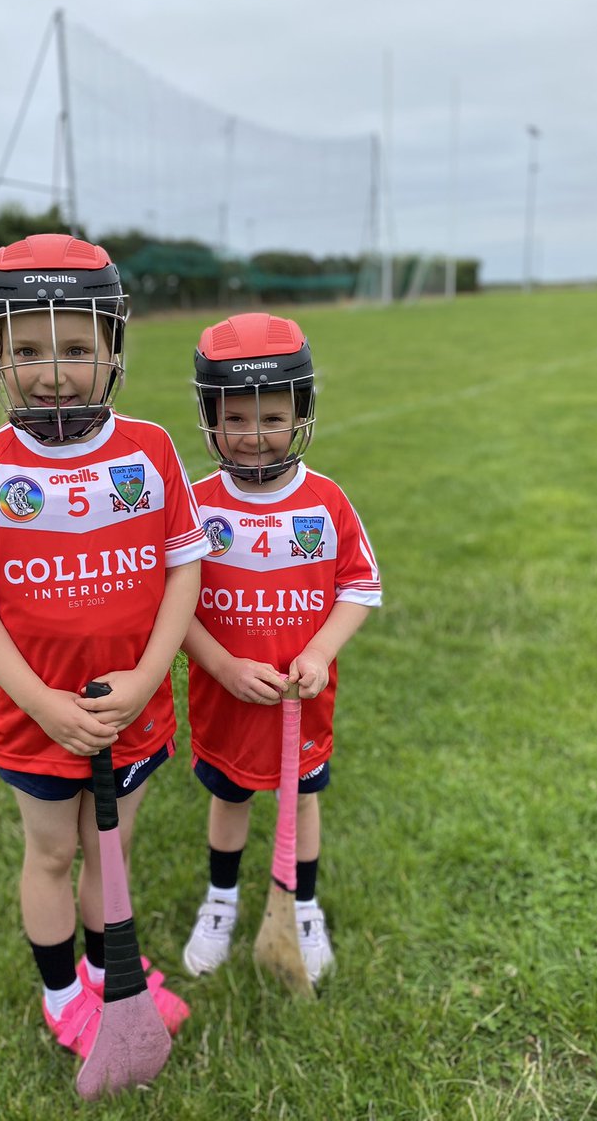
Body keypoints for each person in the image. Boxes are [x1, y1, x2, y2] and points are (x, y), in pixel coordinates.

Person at [0, 234, 208, 1057]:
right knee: (54, 852)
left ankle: (109, 972)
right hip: (37, 720)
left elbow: (182, 575)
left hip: (137, 708)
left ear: (113, 347)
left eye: (76, 347)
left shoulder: (151, 449)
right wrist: (43, 703)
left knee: (111, 847)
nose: (51, 370)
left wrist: (145, 679)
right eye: (25, 348)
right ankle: (65, 996)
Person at [181, 311, 381, 985]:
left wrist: (321, 653)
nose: (253, 437)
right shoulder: (196, 504)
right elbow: (169, 609)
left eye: (271, 417)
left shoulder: (326, 502)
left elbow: (358, 585)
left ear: (301, 413)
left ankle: (302, 905)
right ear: (210, 416)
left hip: (303, 702)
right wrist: (222, 664)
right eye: (234, 419)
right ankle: (221, 900)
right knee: (230, 796)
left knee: (303, 799)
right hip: (226, 699)